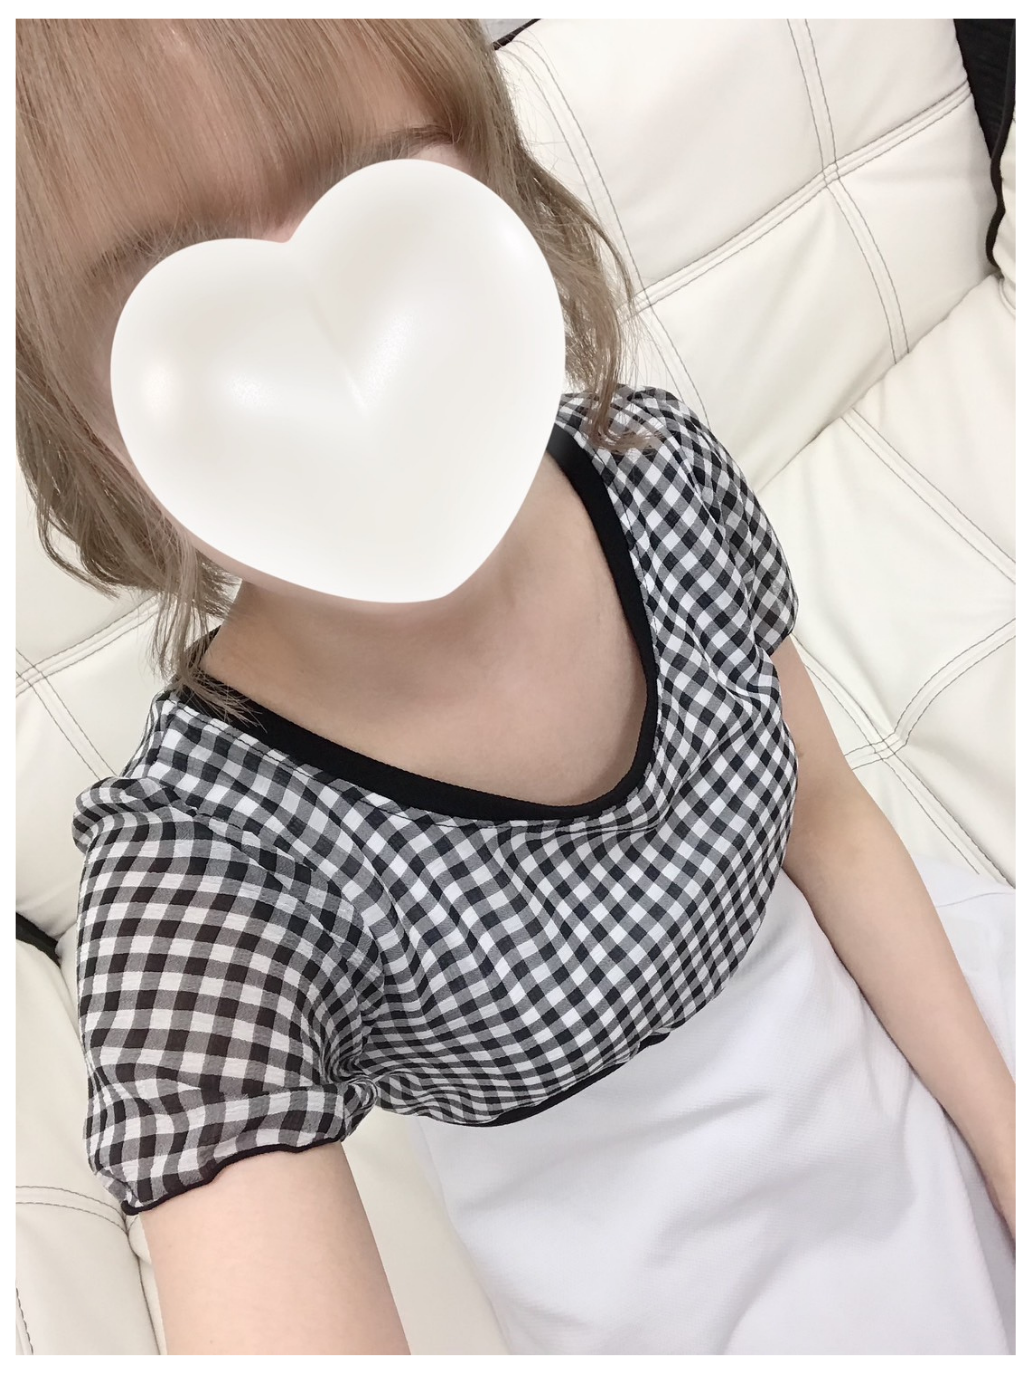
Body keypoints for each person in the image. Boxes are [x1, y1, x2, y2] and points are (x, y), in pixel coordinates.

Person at [16, 18, 1016, 1357]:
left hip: (891, 1003)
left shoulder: (658, 476)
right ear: (82, 417)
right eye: (176, 293)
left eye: (381, 192)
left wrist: (1008, 1150)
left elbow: (827, 819)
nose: (332, 361)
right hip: (652, 1268)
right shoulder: (207, 872)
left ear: (491, 181)